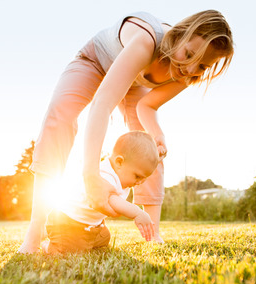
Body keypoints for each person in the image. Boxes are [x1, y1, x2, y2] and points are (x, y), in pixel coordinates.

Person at [18, 10, 234, 253]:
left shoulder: (187, 72)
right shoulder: (146, 41)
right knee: (60, 116)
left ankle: (153, 234)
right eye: (189, 54)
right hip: (95, 62)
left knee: (149, 148)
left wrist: (157, 134)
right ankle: (34, 233)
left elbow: (147, 105)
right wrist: (91, 177)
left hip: (133, 84)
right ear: (180, 35)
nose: (190, 67)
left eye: (203, 66)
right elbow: (102, 104)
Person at [41, 131, 159, 254]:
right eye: (138, 176)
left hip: (91, 225)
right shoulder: (105, 175)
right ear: (119, 162)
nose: (140, 182)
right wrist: (138, 213)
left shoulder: (121, 175)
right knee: (70, 250)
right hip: (67, 222)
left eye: (144, 178)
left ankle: (86, 236)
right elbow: (112, 200)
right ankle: (48, 245)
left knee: (104, 238)